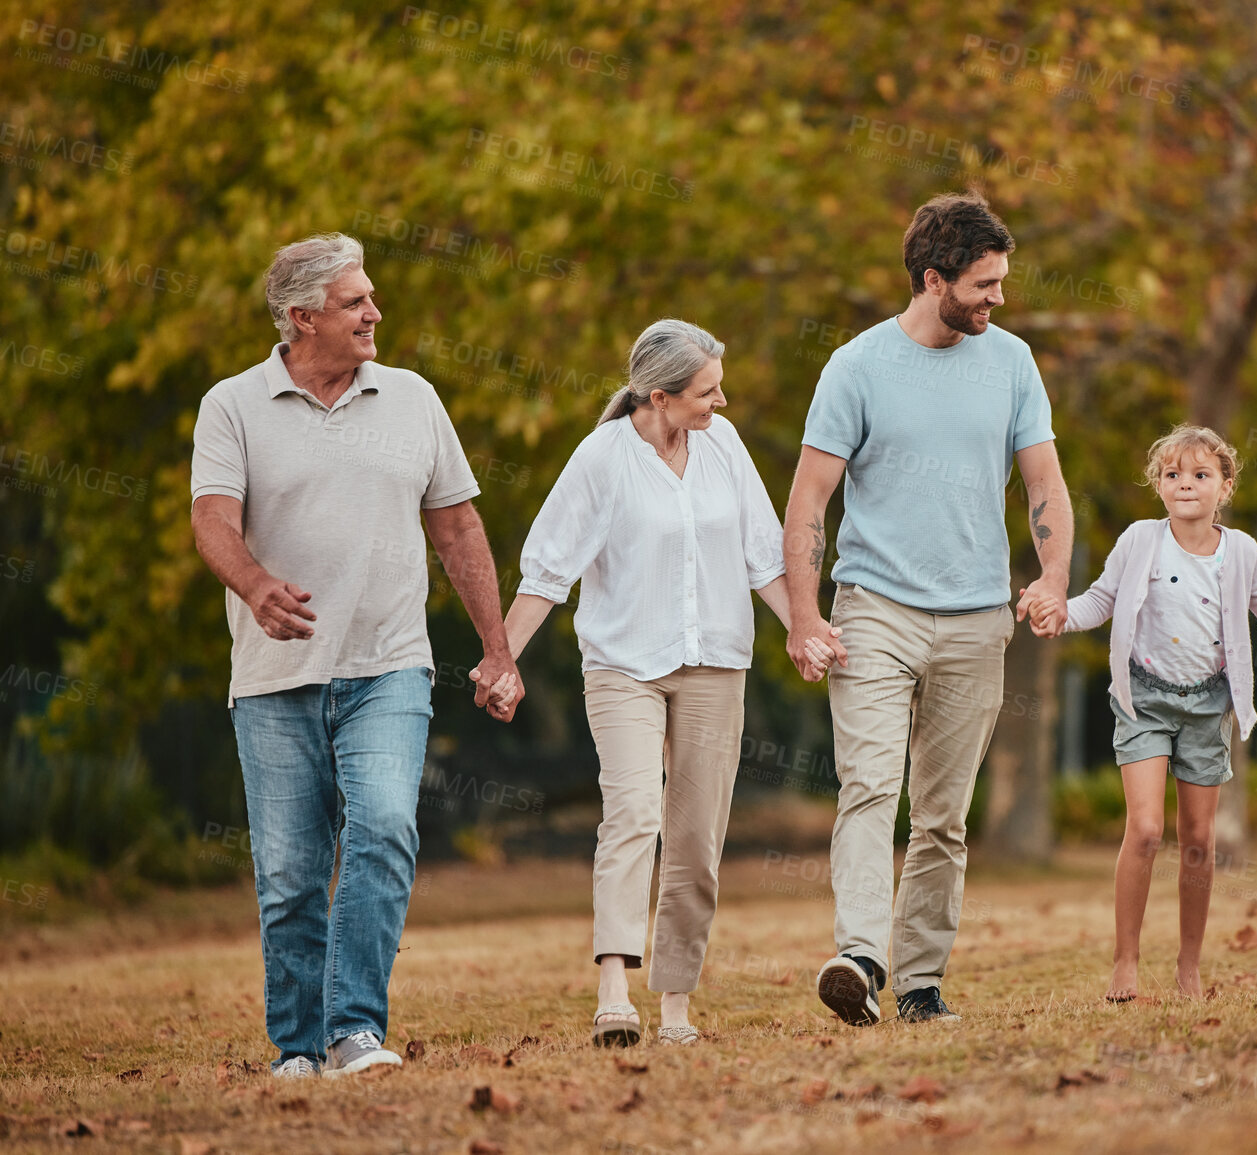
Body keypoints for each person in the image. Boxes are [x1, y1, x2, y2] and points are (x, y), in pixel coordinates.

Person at [190, 233, 521, 1080]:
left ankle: (354, 1032)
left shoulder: (412, 398)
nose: (375, 313)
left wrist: (497, 649)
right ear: (302, 317)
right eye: (354, 302)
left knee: (384, 827)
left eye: (370, 297)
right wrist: (256, 584)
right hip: (275, 679)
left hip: (389, 665)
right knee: (291, 873)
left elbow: (457, 526)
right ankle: (297, 1048)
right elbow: (212, 520)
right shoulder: (233, 405)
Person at [483, 320, 830, 1047]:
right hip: (623, 666)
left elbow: (762, 555)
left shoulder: (723, 447)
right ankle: (614, 990)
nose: (721, 402)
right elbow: (548, 570)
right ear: (660, 395)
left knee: (697, 836)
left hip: (716, 664)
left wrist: (803, 625)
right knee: (634, 813)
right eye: (707, 391)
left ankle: (674, 1001)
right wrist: (502, 658)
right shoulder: (601, 459)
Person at [784, 191, 1073, 1028]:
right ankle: (860, 955)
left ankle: (917, 983)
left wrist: (1051, 577)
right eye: (984, 284)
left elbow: (1045, 483)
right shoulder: (857, 365)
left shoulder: (1012, 362)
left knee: (943, 814)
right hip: (874, 606)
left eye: (1002, 282)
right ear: (932, 276)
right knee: (871, 786)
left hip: (978, 614)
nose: (998, 298)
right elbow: (809, 499)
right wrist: (805, 617)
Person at [1025, 425, 1257, 1001]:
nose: (1186, 484)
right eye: (1173, 474)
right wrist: (1059, 615)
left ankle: (1188, 966)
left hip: (1206, 705)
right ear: (1158, 485)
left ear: (1225, 486)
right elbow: (1101, 600)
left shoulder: (1241, 551)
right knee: (1146, 831)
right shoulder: (1139, 540)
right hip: (1143, 697)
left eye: (1200, 475)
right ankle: (1126, 961)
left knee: (1197, 839)